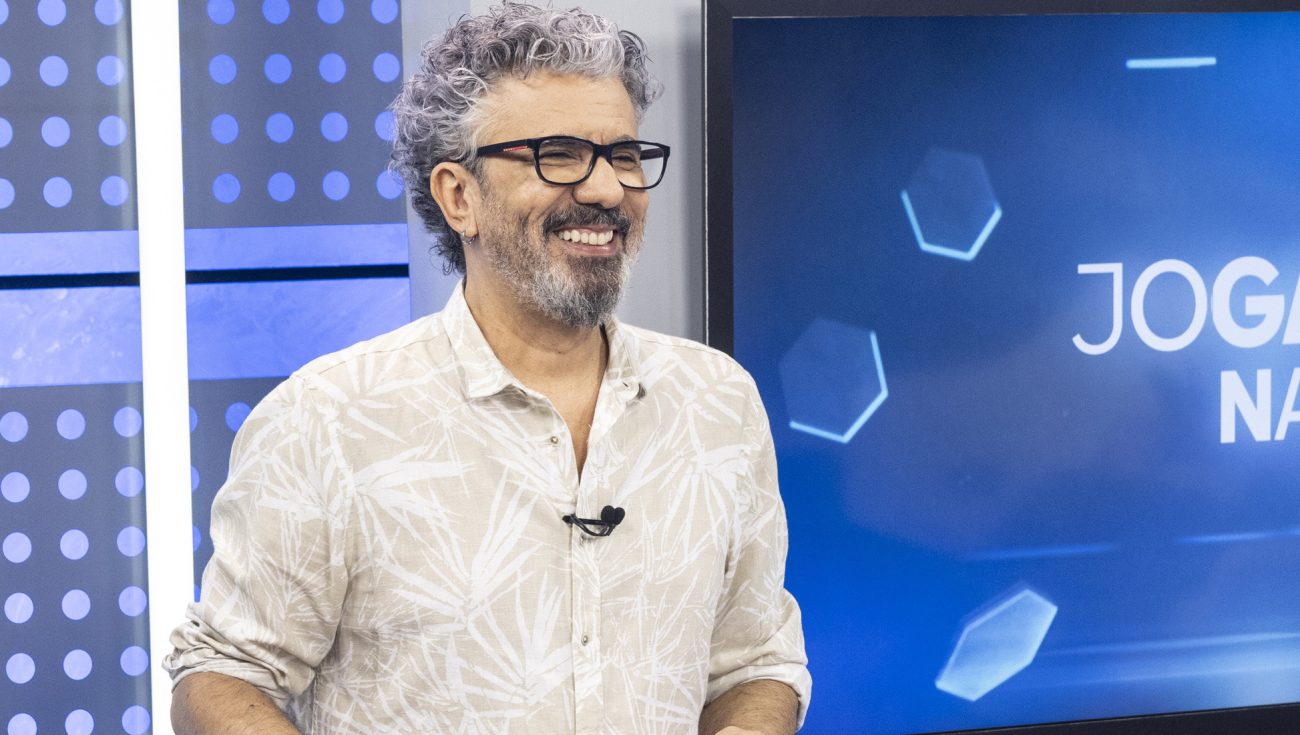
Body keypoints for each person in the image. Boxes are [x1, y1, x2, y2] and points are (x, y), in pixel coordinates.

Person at [164, 3, 810, 733]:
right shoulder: (328, 420)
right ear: (459, 196)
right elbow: (222, 672)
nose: (606, 189)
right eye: (558, 153)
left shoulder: (718, 402)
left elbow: (756, 661)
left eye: (625, 155)